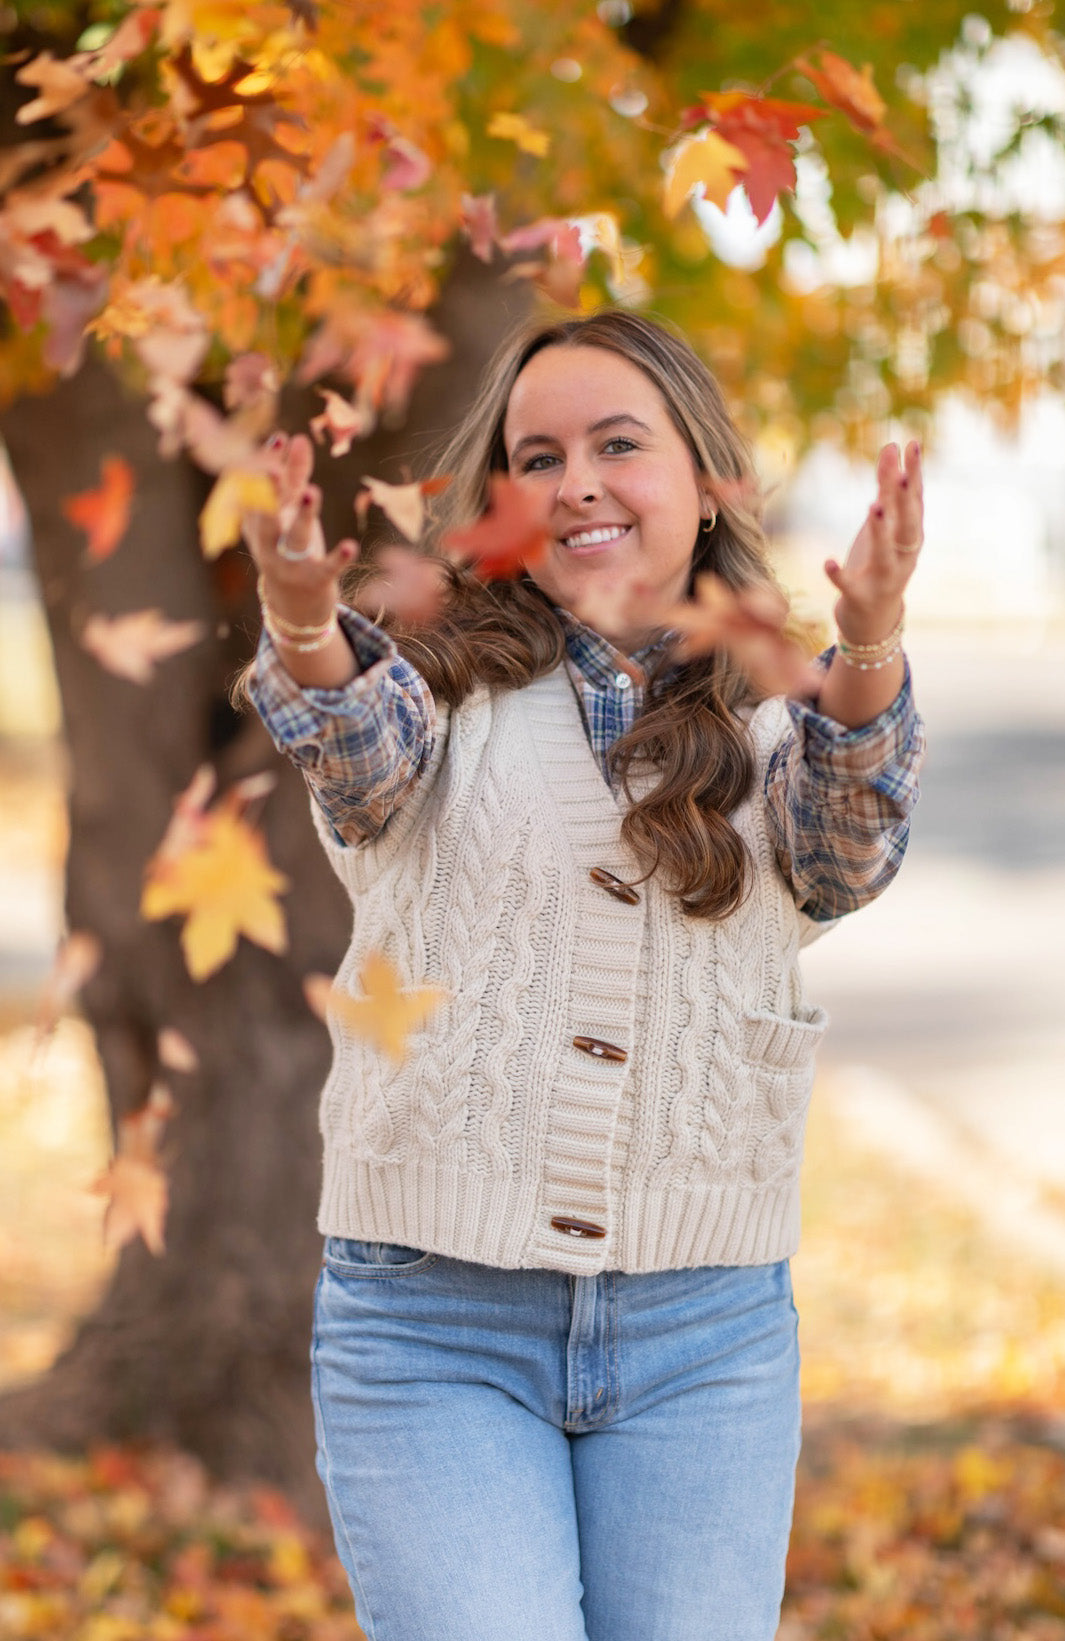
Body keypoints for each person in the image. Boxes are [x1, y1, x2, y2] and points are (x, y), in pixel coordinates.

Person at [243, 309, 925, 1641]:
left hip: (704, 1342)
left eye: (618, 443)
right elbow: (348, 740)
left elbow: (844, 853)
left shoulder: (788, 713)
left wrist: (873, 639)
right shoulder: (431, 693)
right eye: (535, 457)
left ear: (705, 478)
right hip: (431, 1327)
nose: (577, 482)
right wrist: (299, 616)